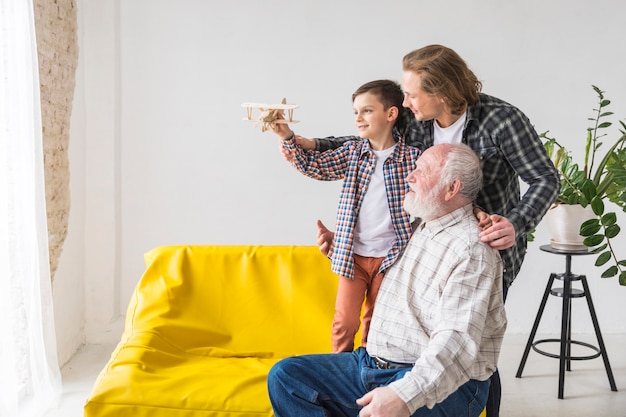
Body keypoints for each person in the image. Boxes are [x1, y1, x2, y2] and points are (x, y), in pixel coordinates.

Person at [285, 44, 560, 417]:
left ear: (441, 93)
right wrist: (315, 144)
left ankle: (476, 407)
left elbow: (545, 177)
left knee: (473, 339)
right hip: (426, 241)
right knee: (422, 335)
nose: (406, 100)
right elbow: (372, 141)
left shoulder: (501, 120)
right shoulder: (415, 119)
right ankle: (401, 396)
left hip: (484, 244)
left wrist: (516, 221)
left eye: (412, 93)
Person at [267, 143, 507, 417]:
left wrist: (403, 396)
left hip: (433, 379)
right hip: (371, 364)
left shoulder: (472, 249)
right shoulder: (420, 225)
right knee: (286, 377)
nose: (410, 176)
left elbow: (456, 342)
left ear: (451, 189)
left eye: (422, 170)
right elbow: (374, 256)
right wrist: (341, 249)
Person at [271, 80, 420, 353]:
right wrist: (287, 136)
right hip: (353, 256)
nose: (358, 118)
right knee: (344, 322)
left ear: (391, 114)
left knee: (375, 324)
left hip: (393, 258)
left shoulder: (413, 159)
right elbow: (313, 165)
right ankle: (338, 374)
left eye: (366, 111)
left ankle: (367, 375)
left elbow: (428, 204)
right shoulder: (354, 153)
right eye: (355, 112)